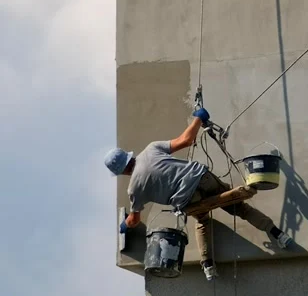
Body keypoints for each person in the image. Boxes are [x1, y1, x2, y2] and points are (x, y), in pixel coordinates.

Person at [105, 107, 292, 280]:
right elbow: (186, 140)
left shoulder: (134, 189)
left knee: (202, 221)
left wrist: (124, 225)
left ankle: (208, 265)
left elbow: (134, 220)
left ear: (121, 172)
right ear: (128, 156)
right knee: (240, 208)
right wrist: (198, 119)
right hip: (202, 178)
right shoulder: (151, 149)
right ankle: (278, 234)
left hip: (189, 200)